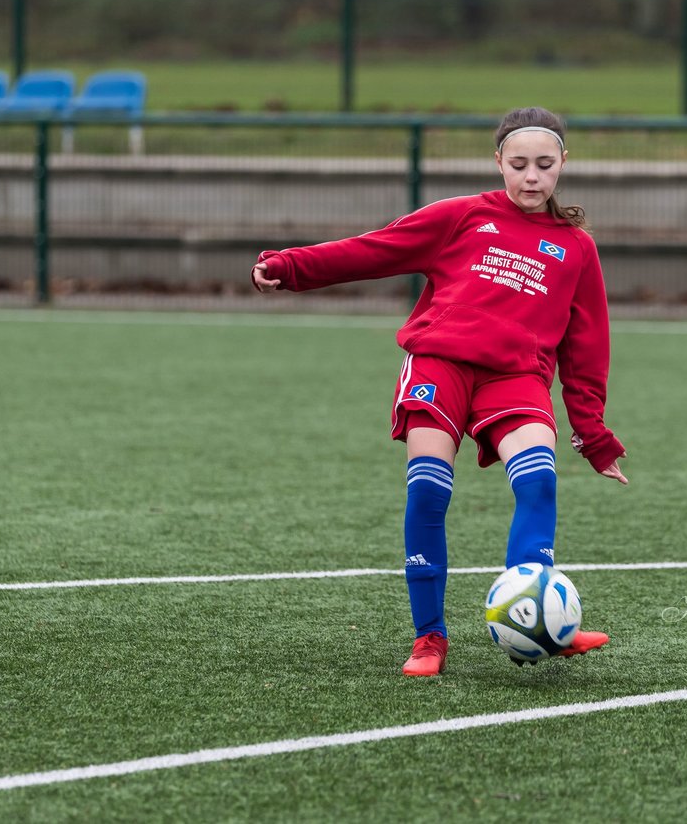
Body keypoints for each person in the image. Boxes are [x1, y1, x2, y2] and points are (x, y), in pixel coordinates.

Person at [252, 107, 628, 676]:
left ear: (563, 166)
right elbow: (375, 248)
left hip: (516, 377)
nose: (532, 177)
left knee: (539, 482)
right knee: (429, 493)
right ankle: (429, 638)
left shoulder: (576, 248)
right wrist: (292, 266)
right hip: (441, 364)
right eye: (520, 164)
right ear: (498, 161)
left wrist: (593, 434)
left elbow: (587, 347)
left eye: (544, 166)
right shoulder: (463, 217)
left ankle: (541, 618)